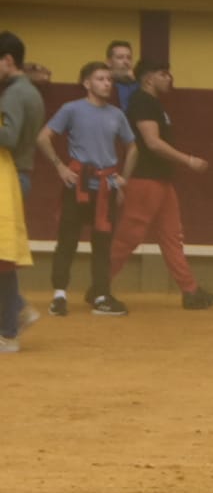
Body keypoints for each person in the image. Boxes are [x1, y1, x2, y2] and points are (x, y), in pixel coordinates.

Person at [106, 61, 213, 311]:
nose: (169, 78)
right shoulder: (142, 102)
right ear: (148, 79)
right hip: (145, 179)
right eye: (163, 74)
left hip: (159, 180)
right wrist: (188, 160)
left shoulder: (152, 103)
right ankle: (100, 286)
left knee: (172, 237)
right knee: (130, 236)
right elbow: (152, 143)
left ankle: (190, 291)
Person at [37, 60, 136, 318]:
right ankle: (59, 295)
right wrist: (60, 166)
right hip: (77, 185)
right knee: (67, 242)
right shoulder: (71, 109)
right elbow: (43, 136)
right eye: (101, 79)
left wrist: (123, 178)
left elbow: (133, 146)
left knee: (103, 244)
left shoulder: (117, 114)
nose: (106, 83)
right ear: (87, 83)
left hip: (106, 186)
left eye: (109, 79)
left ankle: (101, 295)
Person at [0, 30, 44, 344]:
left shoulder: (14, 94)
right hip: (18, 176)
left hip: (8, 179)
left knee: (2, 255)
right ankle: (17, 310)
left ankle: (10, 323)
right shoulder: (26, 91)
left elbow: (6, 137)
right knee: (3, 255)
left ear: (8, 60)